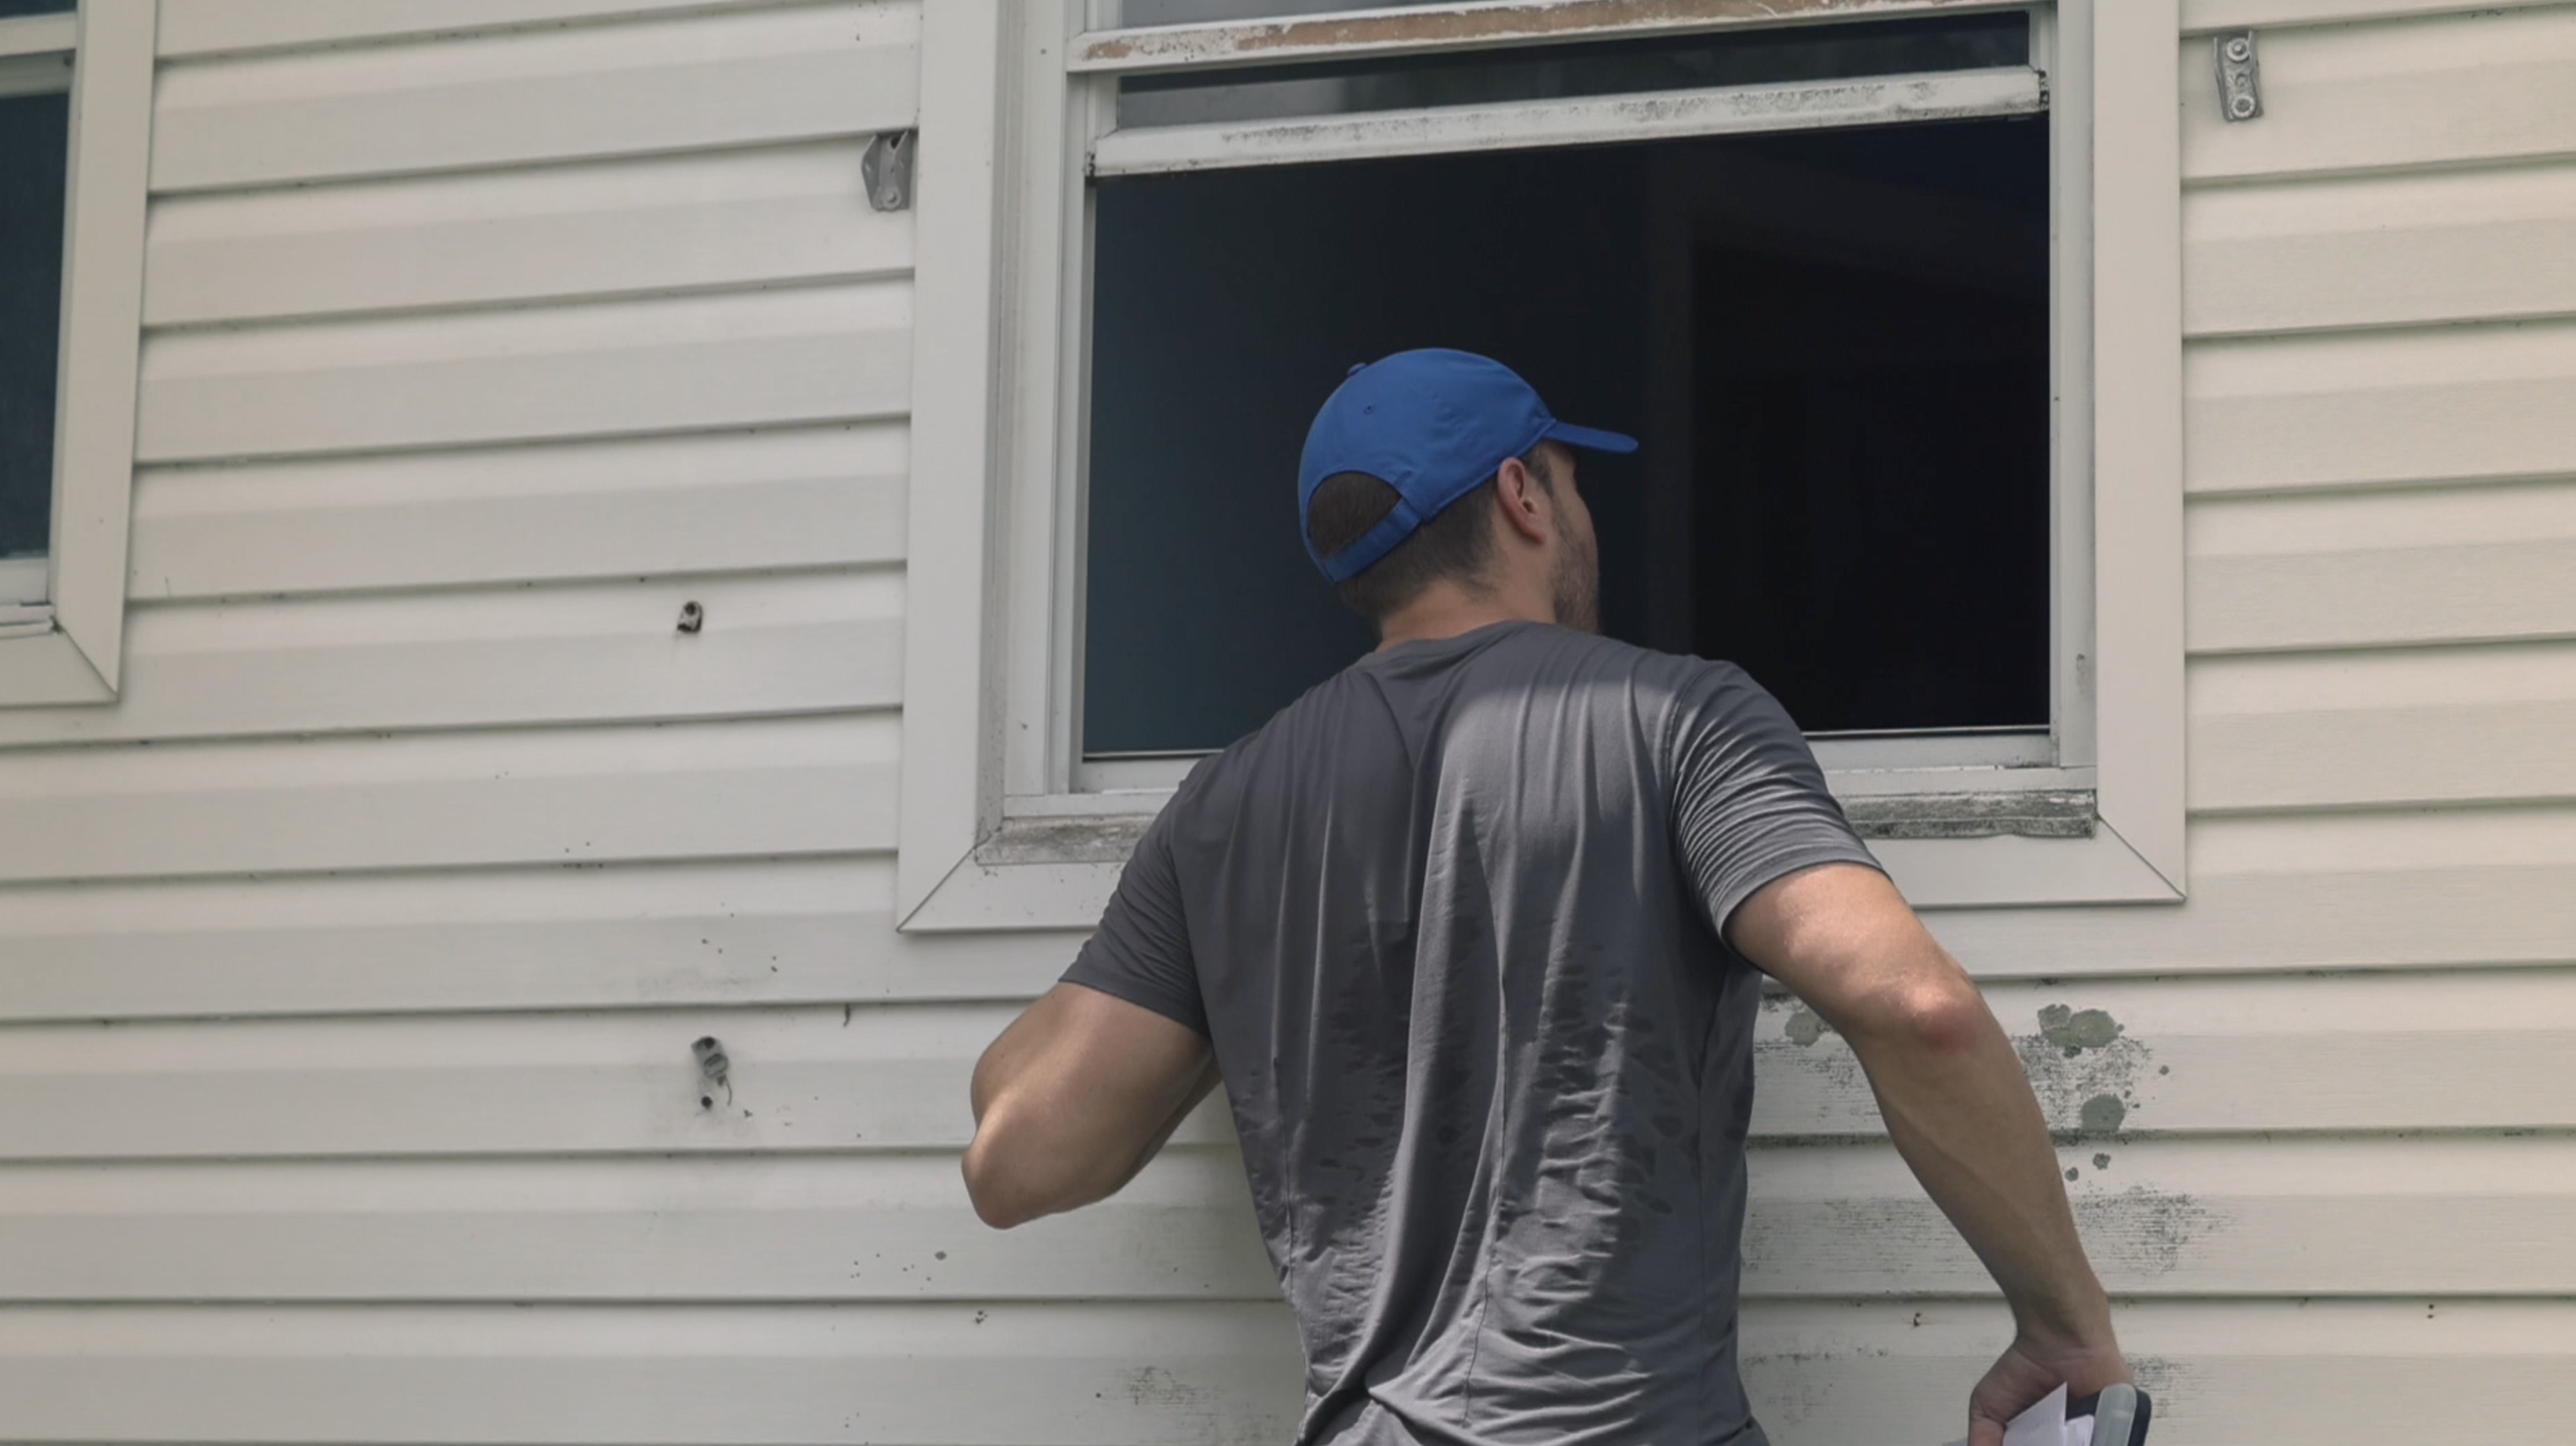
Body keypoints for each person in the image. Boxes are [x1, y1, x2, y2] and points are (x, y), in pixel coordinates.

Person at [962, 350, 2128, 1446]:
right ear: (1522, 495)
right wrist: (2060, 1324)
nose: (1580, 515)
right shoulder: (1680, 718)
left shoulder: (1223, 808)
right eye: (1572, 483)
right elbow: (1914, 1005)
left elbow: (1017, 1162)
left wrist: (1251, 948)